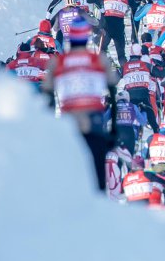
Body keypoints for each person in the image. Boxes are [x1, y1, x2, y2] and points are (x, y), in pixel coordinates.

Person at [41, 19, 116, 191]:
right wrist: (113, 130)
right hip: (94, 122)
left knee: (71, 170)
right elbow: (113, 94)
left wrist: (50, 126)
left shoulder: (57, 62)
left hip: (69, 123)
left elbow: (48, 98)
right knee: (98, 175)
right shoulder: (98, 59)